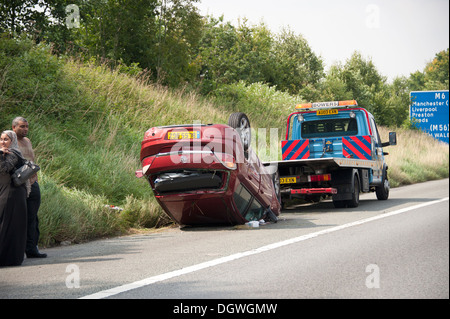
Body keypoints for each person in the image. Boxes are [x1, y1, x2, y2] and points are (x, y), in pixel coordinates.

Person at [12, 117, 47, 258]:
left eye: (26, 126)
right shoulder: (10, 141)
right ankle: (14, 250)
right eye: (22, 126)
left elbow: (32, 160)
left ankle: (32, 249)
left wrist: (35, 180)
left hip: (32, 183)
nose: (25, 129)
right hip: (18, 185)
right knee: (16, 218)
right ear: (14, 127)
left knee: (33, 217)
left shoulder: (27, 141)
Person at [0, 131, 28, 266]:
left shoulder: (13, 153)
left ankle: (10, 258)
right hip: (4, 192)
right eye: (1, 139)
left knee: (9, 225)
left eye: (6, 139)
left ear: (12, 141)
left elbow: (4, 168)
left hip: (13, 194)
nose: (3, 142)